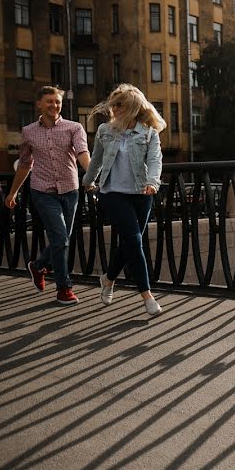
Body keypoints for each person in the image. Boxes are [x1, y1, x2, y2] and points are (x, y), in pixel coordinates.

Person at [82, 84, 166, 316]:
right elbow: (96, 160)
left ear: (132, 107)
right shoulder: (104, 131)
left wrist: (153, 182)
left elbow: (155, 161)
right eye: (114, 104)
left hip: (142, 194)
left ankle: (108, 279)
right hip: (113, 193)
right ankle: (147, 296)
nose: (114, 108)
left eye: (120, 104)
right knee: (134, 241)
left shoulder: (149, 132)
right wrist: (88, 181)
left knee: (130, 242)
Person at [6, 86, 90, 305]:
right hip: (43, 191)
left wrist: (91, 177)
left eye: (57, 101)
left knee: (62, 239)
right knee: (60, 238)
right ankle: (64, 289)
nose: (54, 105)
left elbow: (82, 153)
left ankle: (37, 265)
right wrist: (12, 192)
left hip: (70, 190)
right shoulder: (28, 132)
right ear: (39, 104)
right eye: (49, 101)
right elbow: (24, 164)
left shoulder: (74, 127)